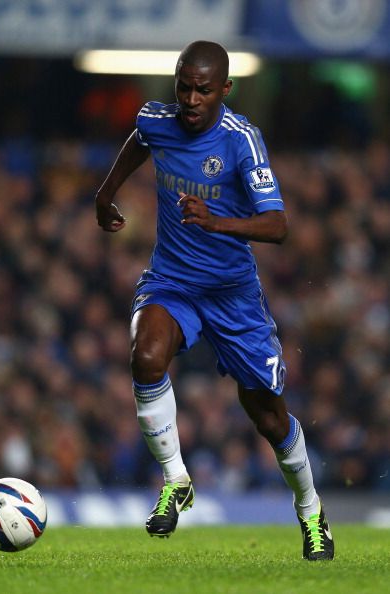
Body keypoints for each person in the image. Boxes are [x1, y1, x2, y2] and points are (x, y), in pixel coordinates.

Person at [95, 40, 334, 561]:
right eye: (184, 86)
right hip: (172, 281)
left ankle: (312, 511)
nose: (191, 98)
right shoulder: (158, 118)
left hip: (232, 296)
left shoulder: (242, 140)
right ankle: (176, 479)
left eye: (204, 89)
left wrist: (216, 220)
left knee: (268, 418)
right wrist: (105, 191)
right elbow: (140, 139)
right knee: (145, 355)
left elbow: (278, 225)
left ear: (225, 89)